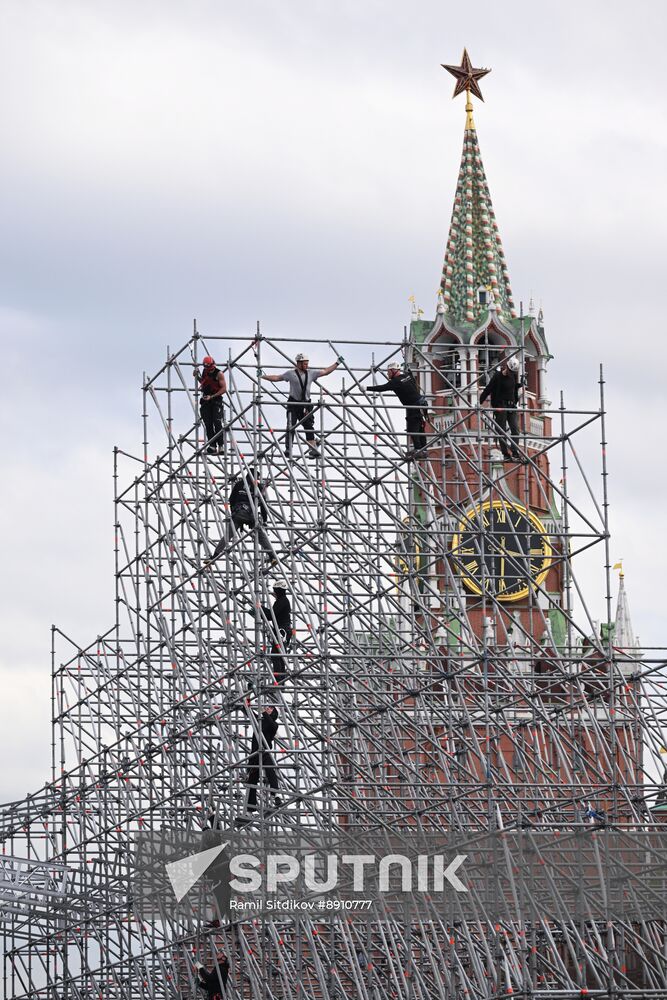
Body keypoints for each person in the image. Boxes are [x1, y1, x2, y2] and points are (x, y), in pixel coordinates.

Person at [262, 353, 339, 458]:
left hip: (305, 404)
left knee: (308, 427)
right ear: (298, 363)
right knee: (290, 425)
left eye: (307, 363)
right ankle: (288, 449)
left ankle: (313, 448)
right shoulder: (290, 374)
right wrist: (263, 376)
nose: (306, 366)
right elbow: (277, 378)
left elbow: (326, 372)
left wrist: (337, 363)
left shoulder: (311, 373)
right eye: (304, 364)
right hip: (293, 404)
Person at [210, 467, 275, 562]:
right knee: (261, 536)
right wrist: (264, 520)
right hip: (252, 515)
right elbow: (263, 506)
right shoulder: (258, 487)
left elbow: (231, 500)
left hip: (239, 513)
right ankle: (272, 556)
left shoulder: (239, 484)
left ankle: (214, 556)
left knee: (228, 535)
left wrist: (233, 512)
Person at [367, 366, 428, 455]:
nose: (387, 374)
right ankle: (424, 449)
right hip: (422, 404)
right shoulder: (407, 376)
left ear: (393, 370)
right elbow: (411, 376)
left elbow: (382, 388)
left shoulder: (396, 382)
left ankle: (418, 449)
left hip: (414, 406)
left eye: (388, 372)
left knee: (412, 428)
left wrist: (367, 388)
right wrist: (409, 370)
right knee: (420, 427)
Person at [237, 706, 281, 823]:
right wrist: (245, 705)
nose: (267, 709)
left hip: (265, 752)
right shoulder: (260, 722)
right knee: (252, 780)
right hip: (255, 754)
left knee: (270, 771)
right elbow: (250, 713)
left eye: (270, 709)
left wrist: (264, 713)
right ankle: (250, 809)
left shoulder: (274, 725)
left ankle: (275, 794)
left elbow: (271, 725)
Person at [479, 355, 525, 462]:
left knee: (515, 430)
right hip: (501, 406)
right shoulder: (498, 376)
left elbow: (511, 388)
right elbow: (488, 389)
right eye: (510, 370)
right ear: (507, 367)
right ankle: (505, 454)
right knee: (502, 431)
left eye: (513, 372)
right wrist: (480, 402)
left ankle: (514, 452)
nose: (511, 373)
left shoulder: (513, 376)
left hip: (511, 406)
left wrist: (519, 386)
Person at [198, 357, 227, 455]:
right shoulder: (204, 372)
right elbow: (204, 384)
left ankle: (221, 445)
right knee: (208, 423)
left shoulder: (219, 374)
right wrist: (197, 377)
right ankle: (212, 445)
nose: (207, 368)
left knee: (217, 422)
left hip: (216, 400)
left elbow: (224, 389)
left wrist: (212, 396)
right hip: (206, 401)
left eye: (208, 366)